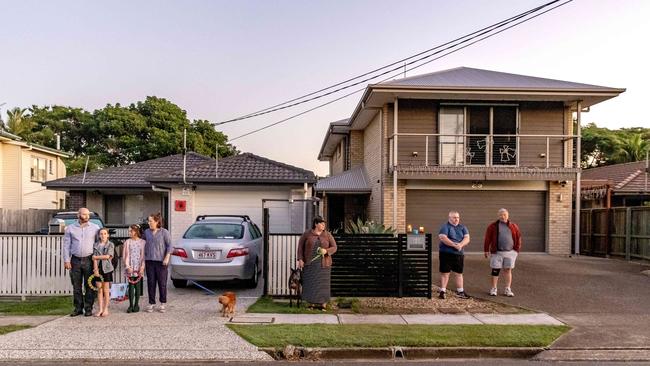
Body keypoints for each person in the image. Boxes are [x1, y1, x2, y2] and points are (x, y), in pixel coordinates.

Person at [62, 207, 100, 317]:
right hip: (75, 260)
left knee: (89, 284)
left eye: (88, 214)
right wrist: (66, 260)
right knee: (76, 285)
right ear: (78, 215)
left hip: (89, 259)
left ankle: (88, 308)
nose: (87, 216)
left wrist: (96, 261)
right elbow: (66, 246)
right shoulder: (70, 228)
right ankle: (78, 308)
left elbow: (98, 245)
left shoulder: (95, 228)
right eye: (84, 214)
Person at [296, 216, 337, 310]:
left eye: (324, 224)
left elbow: (334, 247)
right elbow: (300, 247)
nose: (323, 225)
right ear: (316, 224)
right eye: (321, 223)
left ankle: (323, 305)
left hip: (324, 264)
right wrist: (300, 259)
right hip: (310, 264)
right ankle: (311, 304)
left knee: (323, 284)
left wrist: (326, 251)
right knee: (311, 283)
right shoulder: (307, 234)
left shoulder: (327, 235)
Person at [483, 208, 522, 297]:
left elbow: (519, 237)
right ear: (498, 215)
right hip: (497, 253)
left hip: (510, 253)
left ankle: (507, 289)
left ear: (508, 216)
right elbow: (487, 238)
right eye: (501, 214)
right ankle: (494, 288)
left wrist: (516, 250)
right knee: (495, 270)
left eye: (504, 214)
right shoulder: (492, 226)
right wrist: (486, 250)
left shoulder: (513, 226)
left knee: (508, 270)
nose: (503, 216)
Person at [438, 211, 470, 299]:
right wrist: (454, 245)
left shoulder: (463, 227)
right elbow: (443, 237)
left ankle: (460, 292)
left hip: (459, 254)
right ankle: (442, 291)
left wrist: (460, 245)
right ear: (449, 218)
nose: (456, 219)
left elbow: (467, 238)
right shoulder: (445, 227)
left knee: (459, 273)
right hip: (446, 253)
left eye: (457, 217)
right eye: (454, 217)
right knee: (445, 273)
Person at [144, 212, 172, 313]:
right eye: (148, 221)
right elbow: (142, 244)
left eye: (151, 221)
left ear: (157, 222)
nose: (149, 223)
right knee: (151, 283)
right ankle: (151, 303)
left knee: (162, 283)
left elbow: (169, 246)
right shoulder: (146, 232)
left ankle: (162, 303)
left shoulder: (164, 232)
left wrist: (167, 257)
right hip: (149, 261)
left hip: (161, 262)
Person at [123, 224, 146, 313]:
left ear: (136, 232)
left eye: (131, 231)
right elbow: (125, 256)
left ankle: (136, 304)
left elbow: (143, 256)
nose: (129, 232)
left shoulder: (143, 242)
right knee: (131, 286)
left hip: (138, 266)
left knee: (137, 286)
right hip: (130, 267)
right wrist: (127, 266)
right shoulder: (127, 242)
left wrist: (142, 267)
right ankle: (130, 305)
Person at [92, 228, 115, 317]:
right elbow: (93, 259)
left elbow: (108, 256)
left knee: (105, 289)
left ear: (108, 235)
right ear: (99, 235)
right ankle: (100, 309)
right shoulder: (96, 245)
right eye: (101, 234)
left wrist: (96, 258)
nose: (103, 235)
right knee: (99, 289)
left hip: (106, 269)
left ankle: (106, 309)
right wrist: (95, 269)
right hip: (98, 268)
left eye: (105, 233)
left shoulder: (110, 245)